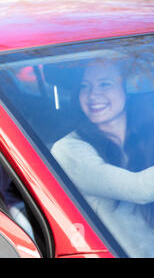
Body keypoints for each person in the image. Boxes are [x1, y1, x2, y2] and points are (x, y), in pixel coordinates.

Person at [51, 61, 154, 257]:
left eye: (104, 84)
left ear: (127, 89)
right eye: (84, 87)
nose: (92, 95)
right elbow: (138, 188)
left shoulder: (145, 136)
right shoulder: (68, 149)